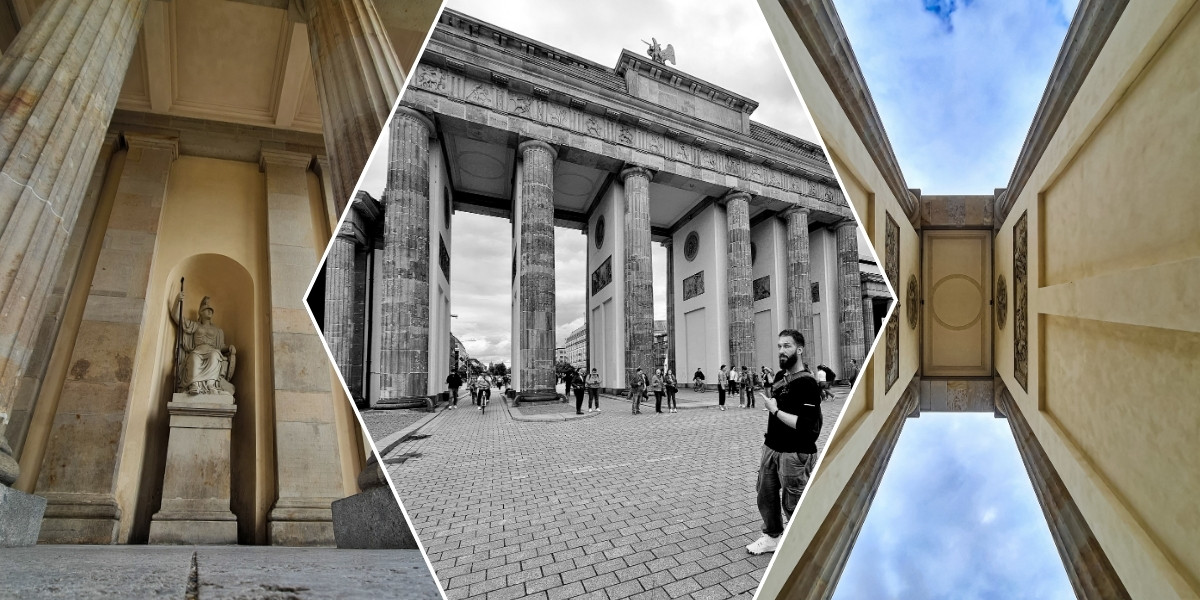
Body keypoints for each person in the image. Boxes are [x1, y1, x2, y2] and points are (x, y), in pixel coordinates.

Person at [746, 329, 823, 556]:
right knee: (765, 495)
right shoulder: (781, 377)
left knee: (794, 501)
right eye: (779, 346)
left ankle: (806, 544)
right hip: (772, 448)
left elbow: (805, 425)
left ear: (799, 350)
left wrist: (775, 410)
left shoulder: (808, 384)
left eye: (787, 346)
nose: (781, 350)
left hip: (795, 453)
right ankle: (772, 537)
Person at [170, 293, 237, 396]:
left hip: (212, 350)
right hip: (198, 351)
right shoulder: (194, 325)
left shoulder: (218, 331)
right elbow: (176, 317)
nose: (210, 311)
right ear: (200, 312)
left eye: (211, 310)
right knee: (193, 358)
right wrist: (177, 301)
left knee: (215, 355)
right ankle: (194, 385)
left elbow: (220, 347)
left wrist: (229, 348)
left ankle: (211, 386)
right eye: (207, 309)